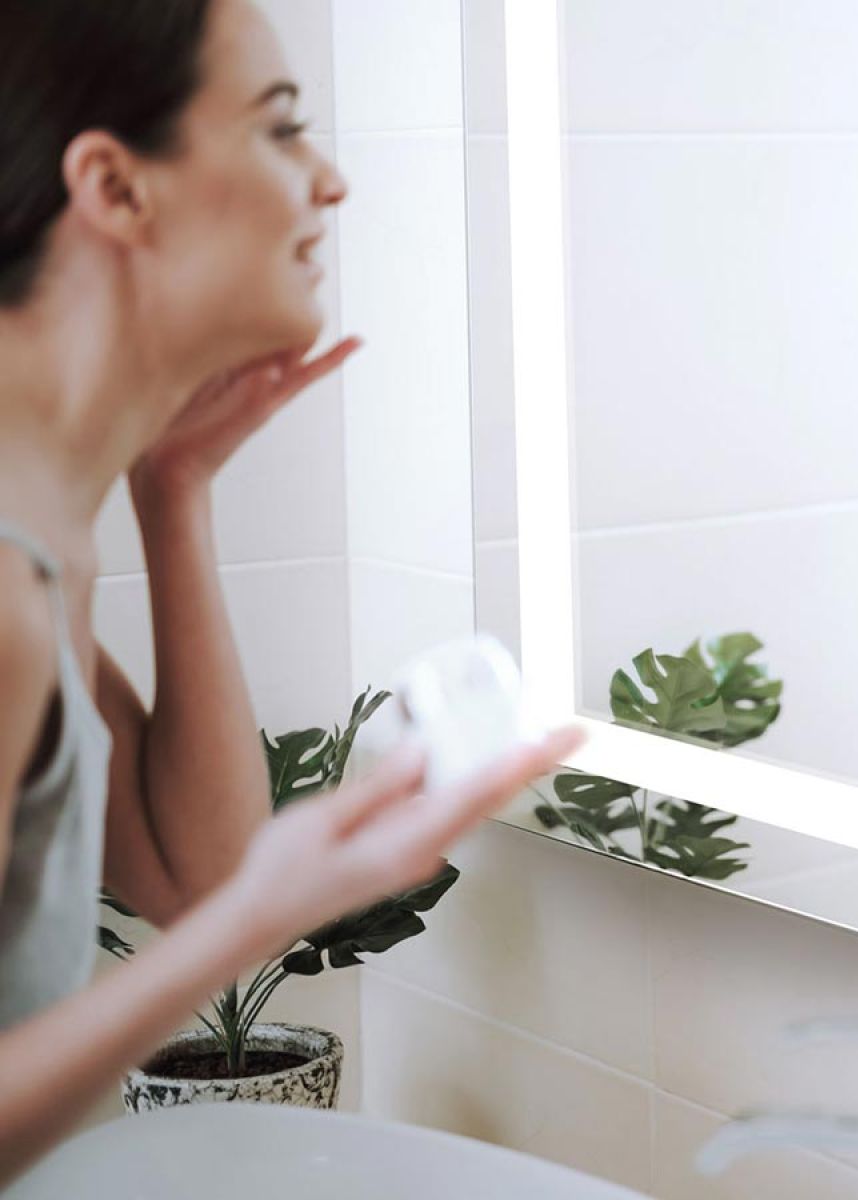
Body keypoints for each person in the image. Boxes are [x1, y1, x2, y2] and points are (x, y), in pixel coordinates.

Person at [0, 0, 581, 1181]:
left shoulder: (45, 527)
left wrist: (177, 495)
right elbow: (227, 904)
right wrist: (271, 908)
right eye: (279, 129)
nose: (329, 182)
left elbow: (185, 873)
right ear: (115, 188)